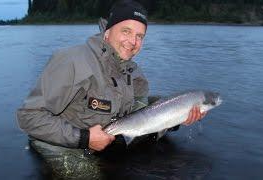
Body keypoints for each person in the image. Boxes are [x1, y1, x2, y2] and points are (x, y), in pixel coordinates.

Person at [17, 0, 206, 152]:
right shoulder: (72, 61)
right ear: (107, 32)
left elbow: (138, 119)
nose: (133, 41)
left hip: (107, 137)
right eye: (126, 31)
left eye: (140, 36)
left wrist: (176, 118)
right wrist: (84, 139)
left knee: (160, 105)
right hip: (58, 144)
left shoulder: (135, 75)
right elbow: (29, 117)